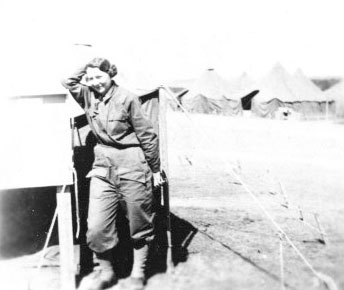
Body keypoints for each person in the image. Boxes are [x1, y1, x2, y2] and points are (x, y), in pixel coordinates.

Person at [62, 57, 163, 290]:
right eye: (91, 78)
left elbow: (147, 136)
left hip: (133, 165)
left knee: (139, 223)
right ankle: (107, 273)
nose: (96, 82)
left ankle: (138, 274)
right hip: (102, 166)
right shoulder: (87, 95)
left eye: (100, 76)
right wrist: (89, 63)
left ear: (111, 75)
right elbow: (67, 80)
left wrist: (155, 170)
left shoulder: (128, 98)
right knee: (96, 227)